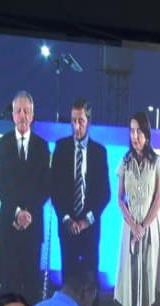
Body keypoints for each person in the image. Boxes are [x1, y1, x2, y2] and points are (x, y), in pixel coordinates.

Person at [0, 91, 50, 301]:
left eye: (26, 111)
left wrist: (28, 214)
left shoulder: (42, 147)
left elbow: (45, 186)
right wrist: (17, 213)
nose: (22, 115)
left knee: (31, 289)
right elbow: (0, 185)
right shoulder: (3, 144)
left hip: (33, 227)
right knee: (9, 287)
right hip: (10, 225)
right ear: (13, 115)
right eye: (18, 111)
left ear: (32, 115)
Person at [115, 112, 160, 306]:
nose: (135, 136)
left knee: (147, 285)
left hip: (149, 229)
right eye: (132, 131)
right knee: (129, 282)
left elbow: (159, 199)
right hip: (129, 228)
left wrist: (143, 226)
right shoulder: (125, 161)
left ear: (146, 134)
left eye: (138, 131)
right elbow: (120, 198)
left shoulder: (157, 162)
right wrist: (133, 224)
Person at [51, 98, 110, 283]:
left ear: (88, 122)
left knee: (90, 284)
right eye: (73, 121)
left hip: (90, 229)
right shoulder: (61, 148)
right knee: (68, 282)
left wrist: (86, 221)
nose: (76, 126)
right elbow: (54, 189)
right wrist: (67, 219)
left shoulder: (99, 152)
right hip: (67, 228)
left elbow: (105, 193)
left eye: (81, 121)